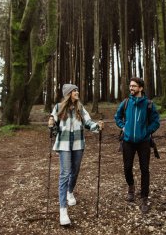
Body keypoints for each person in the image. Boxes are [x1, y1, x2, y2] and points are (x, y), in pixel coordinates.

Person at [48, 83, 104, 226]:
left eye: (77, 90)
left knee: (76, 171)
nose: (77, 92)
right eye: (74, 91)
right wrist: (51, 125)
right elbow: (53, 130)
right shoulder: (58, 108)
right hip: (64, 145)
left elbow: (88, 122)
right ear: (68, 93)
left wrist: (97, 126)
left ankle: (70, 191)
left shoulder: (80, 107)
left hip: (78, 144)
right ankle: (63, 210)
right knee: (65, 173)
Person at [114, 77, 160, 213]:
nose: (131, 88)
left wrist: (147, 131)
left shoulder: (149, 104)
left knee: (144, 169)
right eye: (130, 86)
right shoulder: (126, 103)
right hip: (127, 141)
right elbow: (117, 117)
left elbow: (156, 121)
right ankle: (131, 187)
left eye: (134, 86)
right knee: (127, 167)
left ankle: (144, 198)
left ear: (141, 88)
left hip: (144, 142)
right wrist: (123, 127)